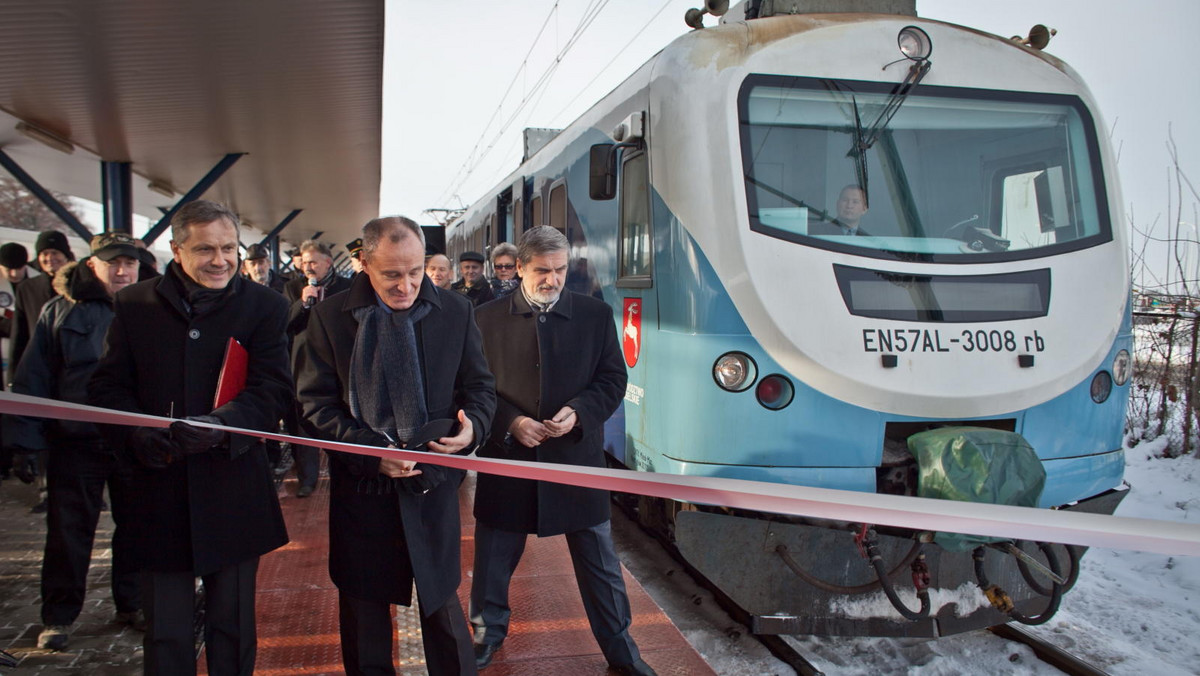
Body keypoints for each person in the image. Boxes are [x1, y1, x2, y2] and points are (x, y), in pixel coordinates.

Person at [89, 200, 292, 676]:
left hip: (233, 488)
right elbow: (106, 386)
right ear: (177, 250)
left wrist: (222, 426)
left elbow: (274, 389)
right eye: (205, 249)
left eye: (228, 248)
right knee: (166, 629)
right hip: (157, 487)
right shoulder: (135, 304)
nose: (220, 260)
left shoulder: (265, 306)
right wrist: (138, 432)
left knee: (234, 625)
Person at [294, 216, 495, 676]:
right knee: (365, 618)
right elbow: (315, 406)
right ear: (364, 263)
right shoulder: (329, 317)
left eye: (415, 272)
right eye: (391, 275)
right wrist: (370, 454)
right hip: (364, 493)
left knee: (443, 610)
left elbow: (481, 389)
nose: (406, 286)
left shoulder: (456, 311)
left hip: (433, 483)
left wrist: (472, 431)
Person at [470, 226, 655, 676]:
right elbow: (473, 388)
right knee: (493, 561)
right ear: (519, 269)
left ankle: (622, 652)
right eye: (541, 271)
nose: (551, 279)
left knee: (600, 564)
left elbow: (612, 380)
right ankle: (484, 638)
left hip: (575, 459)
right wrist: (510, 422)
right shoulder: (485, 318)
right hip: (509, 459)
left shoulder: (594, 315)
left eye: (559, 270)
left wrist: (579, 412)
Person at [6, 232, 144, 651]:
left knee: (137, 528)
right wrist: (24, 441)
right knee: (68, 533)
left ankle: (132, 602)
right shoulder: (59, 311)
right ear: (92, 265)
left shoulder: (152, 309)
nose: (121, 271)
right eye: (112, 263)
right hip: (75, 443)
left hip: (132, 443)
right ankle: (59, 615)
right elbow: (34, 377)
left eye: (129, 263)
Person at [9, 230, 74, 511]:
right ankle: (46, 490)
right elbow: (19, 335)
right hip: (39, 369)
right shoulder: (28, 288)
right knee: (44, 430)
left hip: (69, 371)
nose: (50, 258)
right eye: (45, 254)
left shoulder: (79, 283)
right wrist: (14, 374)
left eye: (55, 254)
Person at [284, 239, 351, 497]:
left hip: (338, 363)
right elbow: (285, 324)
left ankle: (343, 472)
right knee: (303, 422)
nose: (308, 267)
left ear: (328, 262)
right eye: (304, 262)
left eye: (313, 261)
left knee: (339, 419)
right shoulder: (292, 287)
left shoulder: (345, 287)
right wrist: (302, 303)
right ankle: (307, 479)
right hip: (303, 366)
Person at [0, 242, 31, 479]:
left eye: (17, 268)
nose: (12, 274)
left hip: (23, 356)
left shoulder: (35, 284)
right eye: (7, 268)